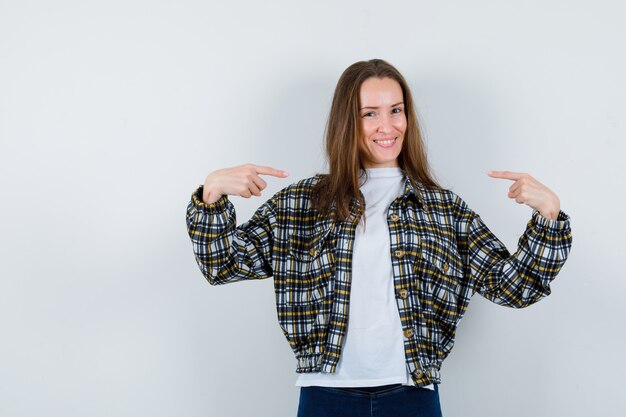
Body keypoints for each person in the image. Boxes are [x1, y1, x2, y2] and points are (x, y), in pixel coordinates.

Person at [185, 59, 573, 417]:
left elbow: (514, 287)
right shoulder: (303, 203)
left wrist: (549, 218)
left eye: (396, 110)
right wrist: (211, 197)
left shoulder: (443, 208)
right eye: (369, 113)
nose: (387, 126)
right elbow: (223, 264)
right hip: (325, 395)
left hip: (413, 396)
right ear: (347, 122)